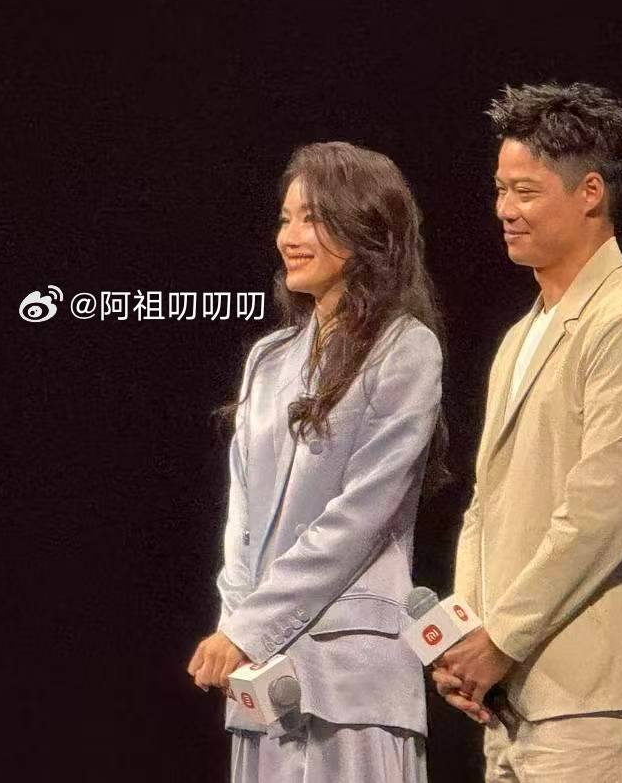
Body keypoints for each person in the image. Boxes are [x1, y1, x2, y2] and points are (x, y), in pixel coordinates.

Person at [432, 83, 622, 781]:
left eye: (525, 191)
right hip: (514, 700)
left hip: (602, 704)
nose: (504, 210)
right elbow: (486, 507)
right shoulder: (521, 336)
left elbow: (605, 514)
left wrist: (500, 639)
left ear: (590, 193)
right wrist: (465, 636)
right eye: (500, 189)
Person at [187, 141, 445, 782]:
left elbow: (361, 514)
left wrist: (251, 627)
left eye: (312, 218)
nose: (290, 237)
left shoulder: (405, 349)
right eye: (285, 219)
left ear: (364, 228)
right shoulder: (268, 359)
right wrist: (236, 624)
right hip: (263, 678)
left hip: (352, 680)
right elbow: (241, 520)